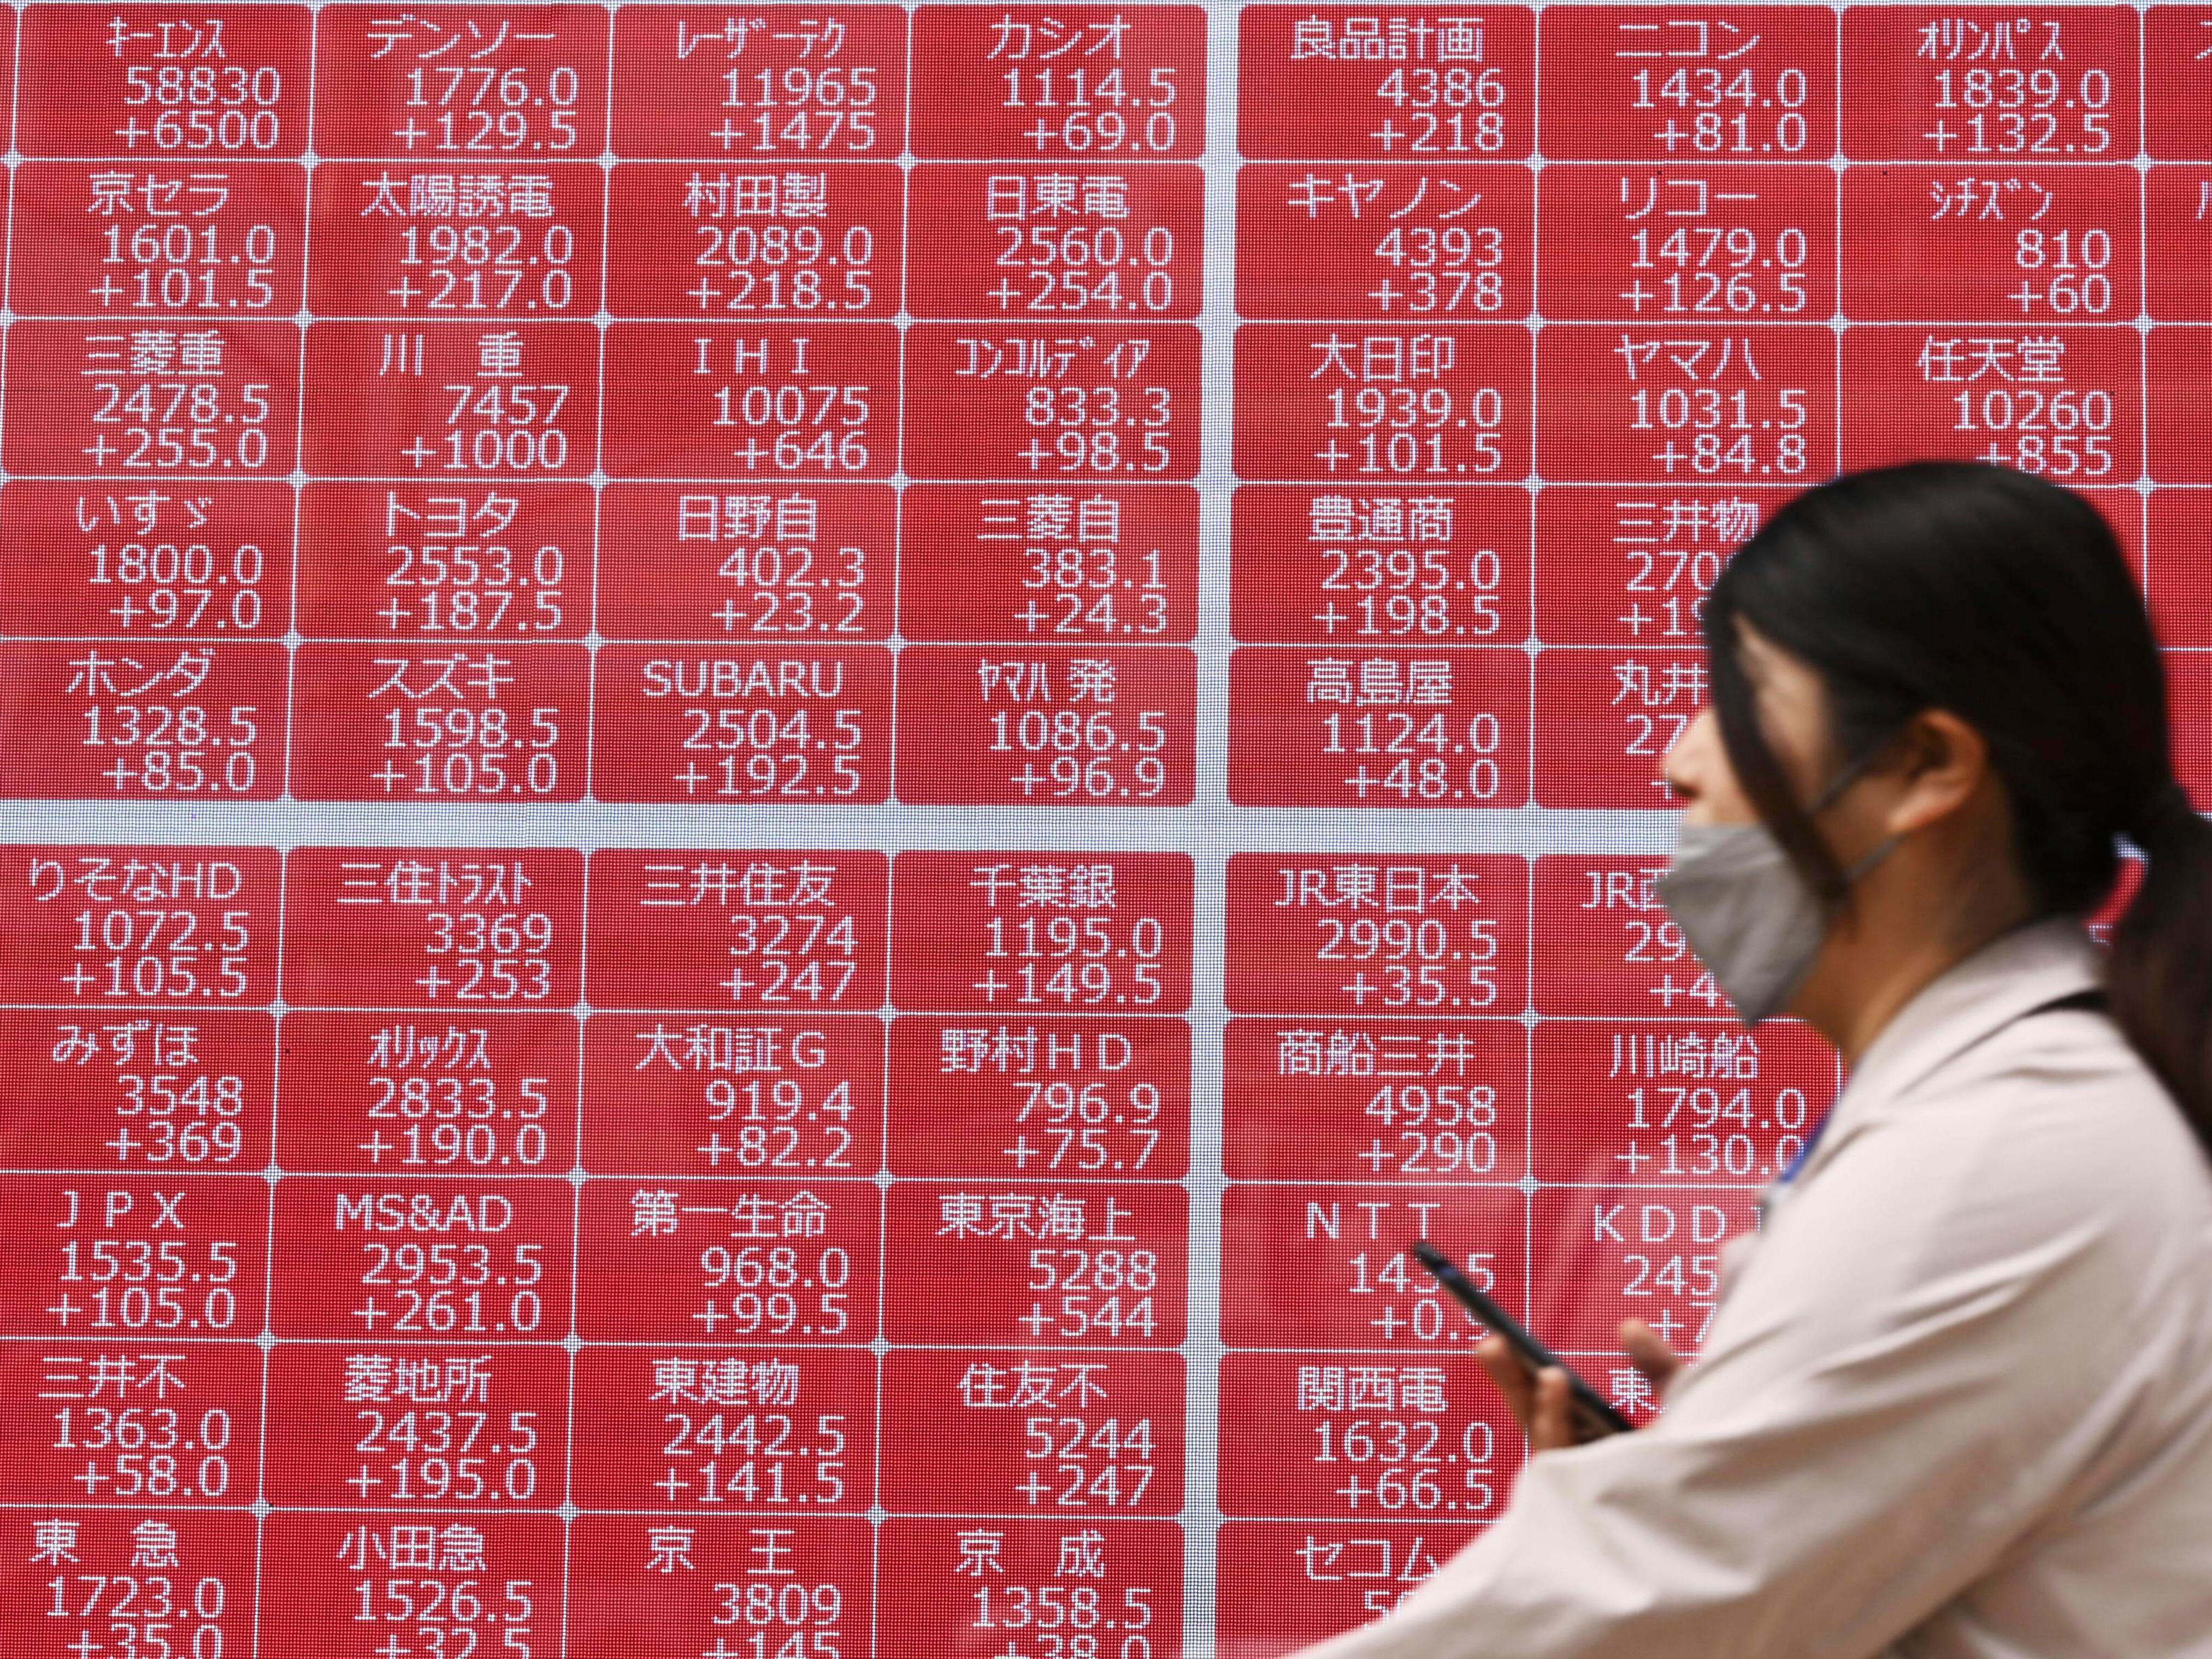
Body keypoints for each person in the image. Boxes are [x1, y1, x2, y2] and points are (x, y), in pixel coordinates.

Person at [1290, 462, 2212, 1658]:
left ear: (1927, 765)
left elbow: (1598, 1618)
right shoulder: (2016, 1110)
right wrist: (1727, 1459)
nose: (1679, 761)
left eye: (1739, 695)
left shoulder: (2002, 1152)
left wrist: (1692, 1507)